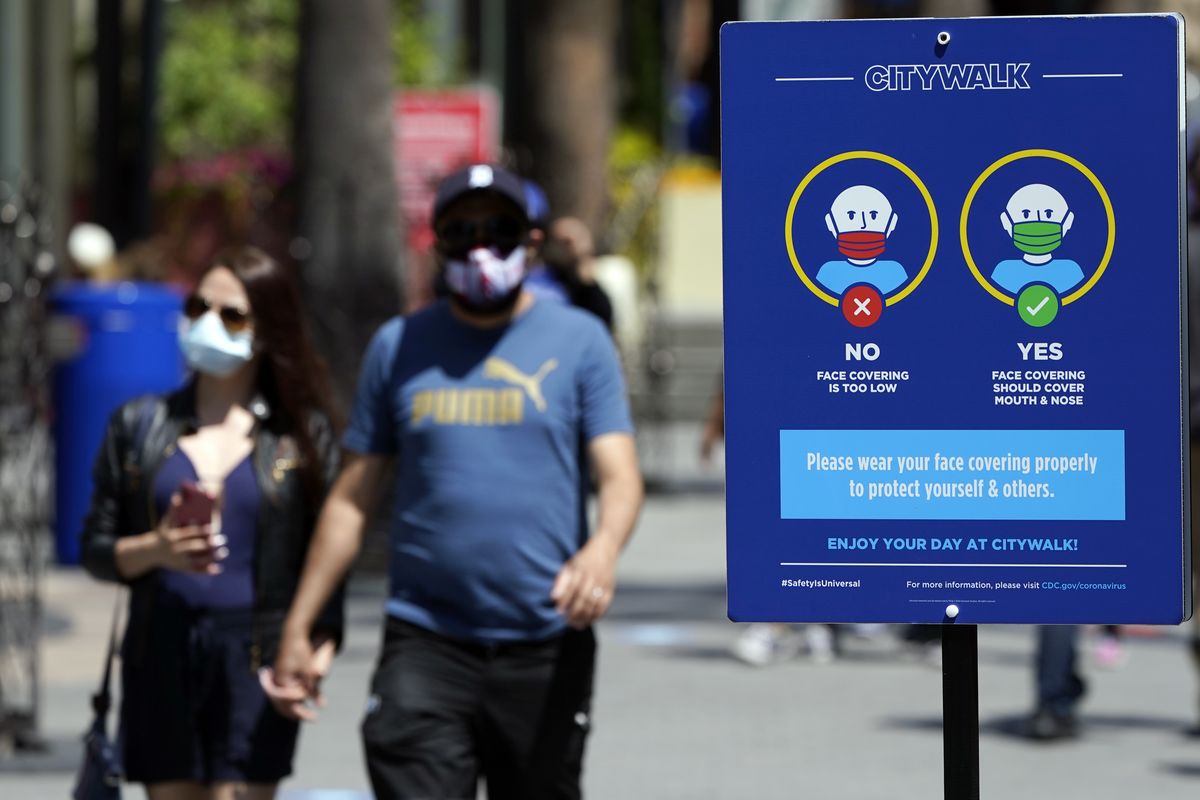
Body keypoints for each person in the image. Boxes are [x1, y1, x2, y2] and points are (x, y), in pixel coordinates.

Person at [265, 162, 644, 800]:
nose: (480, 248)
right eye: (461, 232)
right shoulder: (400, 344)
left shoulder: (580, 342)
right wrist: (300, 625)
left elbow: (620, 476)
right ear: (438, 246)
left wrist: (601, 552)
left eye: (497, 229)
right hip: (426, 640)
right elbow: (353, 497)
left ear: (530, 241)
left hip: (543, 640)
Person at [80, 246, 344, 799]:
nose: (207, 324)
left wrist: (316, 649)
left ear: (266, 331)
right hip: (162, 653)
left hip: (253, 655)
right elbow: (95, 549)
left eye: (231, 315)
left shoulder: (302, 440)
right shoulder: (138, 425)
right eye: (198, 306)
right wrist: (156, 548)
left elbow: (324, 558)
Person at [990, 183, 1084, 295]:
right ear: (1006, 221)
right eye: (1025, 215)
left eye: (1049, 214)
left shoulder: (1072, 272)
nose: (1038, 222)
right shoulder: (1003, 273)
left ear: (1068, 221)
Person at [815, 185, 908, 296]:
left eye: (873, 215)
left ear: (892, 222)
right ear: (830, 223)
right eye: (851, 216)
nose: (862, 225)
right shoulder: (826, 274)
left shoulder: (896, 273)